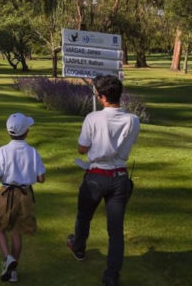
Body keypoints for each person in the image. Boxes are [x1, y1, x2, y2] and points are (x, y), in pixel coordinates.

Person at [67, 75, 140, 286]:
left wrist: (95, 146)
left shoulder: (93, 118)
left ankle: (79, 248)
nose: (98, 97)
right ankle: (111, 277)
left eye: (98, 94)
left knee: (84, 216)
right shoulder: (133, 120)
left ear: (104, 97)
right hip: (120, 177)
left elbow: (82, 147)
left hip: (96, 176)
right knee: (115, 231)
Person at [0, 113, 46, 283]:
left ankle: (8, 258)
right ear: (27, 132)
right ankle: (13, 271)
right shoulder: (32, 151)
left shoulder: (3, 151)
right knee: (16, 232)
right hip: (25, 195)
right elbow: (41, 178)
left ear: (8, 132)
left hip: (7, 194)